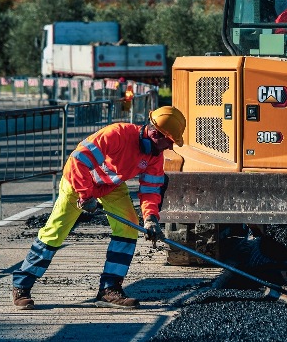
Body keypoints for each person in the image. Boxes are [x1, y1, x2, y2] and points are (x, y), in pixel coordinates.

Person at [11, 105, 186, 310]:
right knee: (55, 231)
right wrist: (86, 195)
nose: (169, 147)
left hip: (110, 187)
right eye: (169, 141)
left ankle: (109, 289)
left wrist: (151, 218)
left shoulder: (154, 157)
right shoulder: (116, 134)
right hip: (77, 182)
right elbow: (77, 161)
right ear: (155, 134)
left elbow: (150, 190)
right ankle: (21, 285)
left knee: (129, 226)